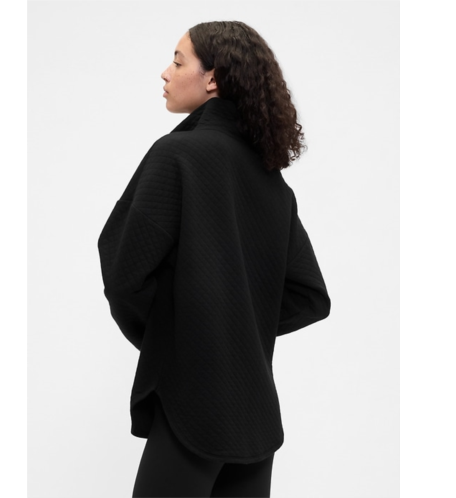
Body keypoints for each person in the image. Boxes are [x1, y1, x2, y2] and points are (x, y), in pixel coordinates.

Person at [98, 21, 331, 498]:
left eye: (178, 61)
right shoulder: (271, 183)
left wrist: (183, 337)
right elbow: (308, 295)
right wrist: (236, 330)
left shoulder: (177, 156)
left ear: (213, 78)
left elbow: (123, 273)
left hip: (193, 408)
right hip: (256, 416)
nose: (165, 73)